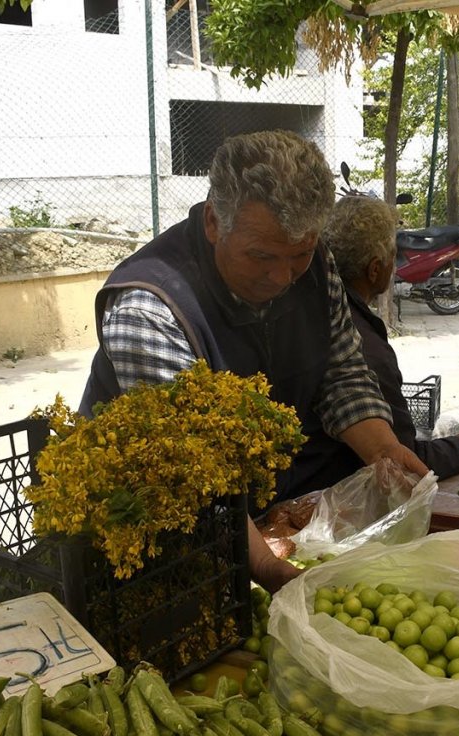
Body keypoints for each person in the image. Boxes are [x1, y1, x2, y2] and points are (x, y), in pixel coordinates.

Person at [78, 130, 428, 592]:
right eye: (261, 256)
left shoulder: (317, 264)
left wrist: (383, 452)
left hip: (253, 510)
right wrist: (264, 567)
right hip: (147, 533)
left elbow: (341, 374)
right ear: (212, 222)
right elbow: (193, 474)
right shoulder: (150, 310)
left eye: (298, 255)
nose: (282, 277)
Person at [321, 195, 459, 478]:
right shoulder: (364, 348)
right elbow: (400, 456)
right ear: (375, 269)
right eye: (392, 256)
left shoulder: (329, 317)